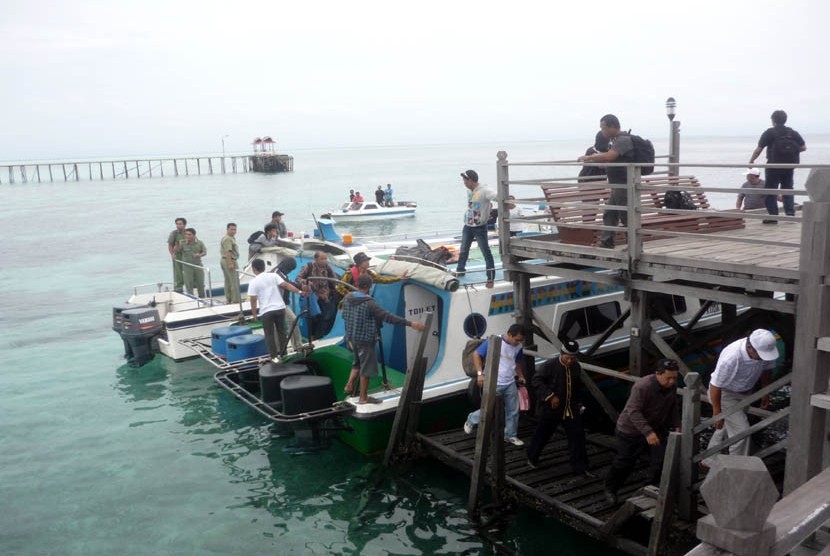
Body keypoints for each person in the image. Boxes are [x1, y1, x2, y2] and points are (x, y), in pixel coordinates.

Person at [604, 359, 681, 504]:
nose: (671, 381)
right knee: (625, 462)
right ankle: (611, 489)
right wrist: (647, 432)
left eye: (674, 378)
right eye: (668, 378)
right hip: (630, 430)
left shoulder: (672, 386)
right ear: (658, 374)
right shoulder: (643, 387)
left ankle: (648, 487)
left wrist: (677, 424)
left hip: (656, 427)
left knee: (660, 460)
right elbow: (633, 411)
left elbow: (673, 406)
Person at [342, 274, 426, 404]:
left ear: (357, 284)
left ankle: (348, 385)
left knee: (357, 363)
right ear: (369, 286)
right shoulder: (369, 303)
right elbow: (388, 317)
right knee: (366, 368)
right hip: (365, 340)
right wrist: (411, 324)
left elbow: (345, 316)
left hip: (352, 337)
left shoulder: (347, 298)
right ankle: (363, 397)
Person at [705, 329, 778, 462]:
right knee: (741, 432)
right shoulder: (732, 357)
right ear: (750, 348)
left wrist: (765, 392)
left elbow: (767, 370)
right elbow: (715, 385)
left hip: (745, 391)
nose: (763, 358)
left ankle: (709, 460)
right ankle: (736, 465)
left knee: (727, 426)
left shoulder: (762, 352)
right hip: (724, 394)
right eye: (761, 355)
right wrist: (717, 413)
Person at [526, 340, 595, 477]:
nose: (570, 361)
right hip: (552, 408)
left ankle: (580, 467)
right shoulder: (549, 365)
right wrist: (550, 396)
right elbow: (536, 380)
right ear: (562, 353)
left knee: (578, 436)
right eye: (567, 358)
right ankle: (532, 457)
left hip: (570, 407)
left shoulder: (576, 367)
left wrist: (579, 403)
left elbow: (577, 387)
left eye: (573, 358)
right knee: (543, 434)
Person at [463, 324, 527, 446]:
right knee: (489, 409)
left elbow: (517, 362)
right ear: (509, 334)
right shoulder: (493, 340)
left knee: (513, 410)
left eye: (521, 340)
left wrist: (521, 376)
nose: (518, 342)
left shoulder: (518, 346)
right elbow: (477, 355)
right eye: (517, 339)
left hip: (510, 382)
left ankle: (510, 435)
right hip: (493, 382)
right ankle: (471, 419)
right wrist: (480, 374)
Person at [577, 114, 634, 248]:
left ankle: (634, 246)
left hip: (622, 184)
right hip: (615, 184)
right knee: (609, 214)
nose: (603, 132)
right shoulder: (616, 141)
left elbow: (610, 156)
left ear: (612, 127)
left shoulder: (623, 140)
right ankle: (606, 243)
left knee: (625, 216)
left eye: (603, 128)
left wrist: (590, 157)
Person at [749, 110, 807, 222]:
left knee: (771, 191)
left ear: (773, 121)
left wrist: (751, 161)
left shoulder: (769, 133)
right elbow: (803, 147)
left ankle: (773, 217)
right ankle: (790, 214)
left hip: (773, 167)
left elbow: (759, 149)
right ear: (785, 120)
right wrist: (790, 152)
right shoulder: (792, 133)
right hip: (788, 166)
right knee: (788, 189)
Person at [248, 258, 306, 360]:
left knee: (271, 334)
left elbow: (253, 300)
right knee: (281, 331)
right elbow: (286, 285)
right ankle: (283, 353)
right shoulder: (275, 275)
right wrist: (300, 292)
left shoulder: (254, 282)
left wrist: (254, 315)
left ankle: (276, 355)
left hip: (269, 310)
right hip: (280, 307)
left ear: (253, 269)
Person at [455, 169, 497, 288]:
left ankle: (490, 277)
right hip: (468, 225)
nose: (464, 183)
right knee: (463, 250)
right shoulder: (469, 190)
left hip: (479, 227)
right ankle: (460, 270)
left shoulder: (485, 190)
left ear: (471, 180)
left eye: (465, 180)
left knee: (485, 252)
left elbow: (497, 196)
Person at [297, 251, 340, 339]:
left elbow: (334, 279)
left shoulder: (328, 267)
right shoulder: (308, 267)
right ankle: (312, 336)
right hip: (313, 297)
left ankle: (319, 336)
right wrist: (306, 282)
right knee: (313, 318)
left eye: (325, 259)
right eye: (322, 259)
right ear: (316, 259)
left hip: (325, 296)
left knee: (325, 317)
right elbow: (298, 278)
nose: (324, 261)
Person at [335, 252, 406, 299]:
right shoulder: (349, 274)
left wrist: (398, 278)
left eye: (367, 260)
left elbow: (382, 280)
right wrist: (351, 295)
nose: (367, 263)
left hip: (364, 299)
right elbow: (340, 287)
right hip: (351, 300)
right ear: (359, 263)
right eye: (365, 261)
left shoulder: (369, 274)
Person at [180, 227, 207, 297]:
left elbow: (204, 252)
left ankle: (202, 299)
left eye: (189, 235)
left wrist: (199, 255)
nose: (187, 236)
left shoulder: (199, 243)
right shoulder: (182, 243)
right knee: (189, 284)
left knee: (200, 283)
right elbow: (177, 251)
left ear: (194, 235)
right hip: (187, 266)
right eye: (186, 234)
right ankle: (191, 300)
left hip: (197, 265)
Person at [220, 223, 240, 304]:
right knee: (233, 281)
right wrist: (230, 263)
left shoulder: (230, 238)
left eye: (235, 229)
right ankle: (235, 300)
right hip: (229, 260)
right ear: (227, 229)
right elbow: (228, 252)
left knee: (228, 280)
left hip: (225, 260)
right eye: (232, 229)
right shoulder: (228, 239)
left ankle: (229, 299)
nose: (234, 231)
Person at [167, 217, 187, 293]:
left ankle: (191, 286)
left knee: (189, 272)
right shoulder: (174, 234)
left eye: (180, 224)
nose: (178, 225)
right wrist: (172, 254)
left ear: (184, 225)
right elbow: (170, 245)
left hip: (187, 256)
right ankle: (178, 288)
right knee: (178, 273)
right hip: (178, 256)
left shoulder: (188, 233)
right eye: (177, 224)